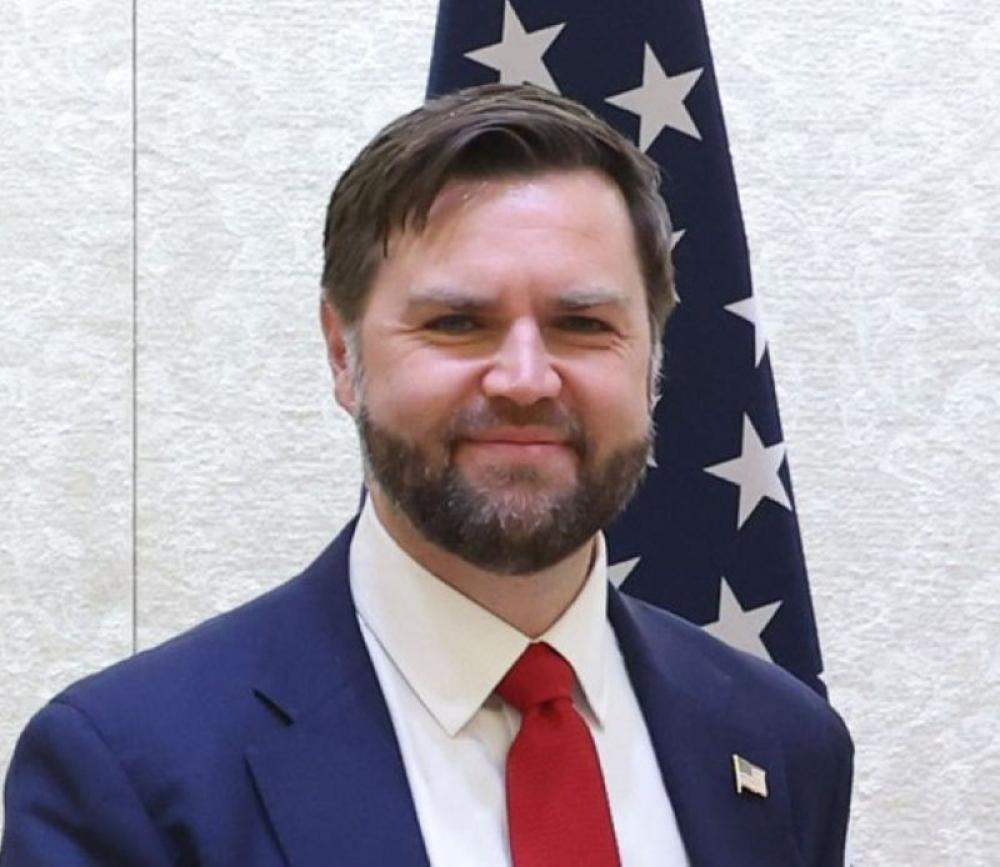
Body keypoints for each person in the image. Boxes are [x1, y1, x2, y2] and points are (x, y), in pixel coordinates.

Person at [1, 83, 852, 867]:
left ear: (652, 358)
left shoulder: (784, 744)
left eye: (584, 324)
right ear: (343, 354)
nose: (526, 379)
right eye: (456, 322)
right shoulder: (131, 773)